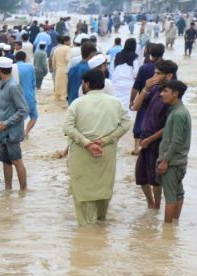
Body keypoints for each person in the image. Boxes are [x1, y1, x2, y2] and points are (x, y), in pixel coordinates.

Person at [63, 70, 131, 226]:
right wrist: (105, 140)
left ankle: (87, 236)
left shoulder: (78, 103)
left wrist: (87, 143)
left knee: (83, 194)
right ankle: (100, 234)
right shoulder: (116, 103)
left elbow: (68, 127)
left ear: (86, 84)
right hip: (106, 154)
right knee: (103, 190)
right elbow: (126, 124)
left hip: (82, 155)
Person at [132, 59, 178, 209]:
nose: (154, 76)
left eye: (158, 73)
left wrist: (150, 139)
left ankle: (157, 206)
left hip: (158, 143)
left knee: (155, 179)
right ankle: (150, 205)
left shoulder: (172, 97)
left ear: (169, 76)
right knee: (141, 177)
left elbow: (169, 127)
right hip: (146, 140)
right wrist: (145, 88)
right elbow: (136, 107)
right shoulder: (154, 90)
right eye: (154, 73)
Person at [156, 80, 190, 223]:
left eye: (165, 91)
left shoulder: (178, 114)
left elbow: (176, 141)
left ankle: (167, 230)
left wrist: (165, 161)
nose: (161, 94)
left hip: (172, 162)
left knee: (170, 196)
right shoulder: (179, 111)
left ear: (175, 94)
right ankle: (174, 226)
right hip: (178, 161)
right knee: (178, 193)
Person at [0, 56, 29, 190]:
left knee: (16, 160)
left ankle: (23, 190)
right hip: (2, 131)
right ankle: (8, 190)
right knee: (6, 162)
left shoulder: (13, 86)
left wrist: (7, 123)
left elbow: (23, 110)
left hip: (11, 132)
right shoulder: (4, 85)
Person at [14, 51, 38, 137]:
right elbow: (34, 83)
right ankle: (26, 132)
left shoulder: (13, 67)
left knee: (18, 118)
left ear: (15, 58)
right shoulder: (30, 66)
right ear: (25, 58)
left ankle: (19, 133)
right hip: (30, 96)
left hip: (17, 97)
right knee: (34, 117)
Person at [51, 35, 72, 102]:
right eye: (69, 41)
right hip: (66, 70)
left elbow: (53, 62)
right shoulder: (68, 49)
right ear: (66, 41)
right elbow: (68, 59)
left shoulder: (56, 49)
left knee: (58, 89)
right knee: (65, 89)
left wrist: (54, 70)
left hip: (58, 71)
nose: (70, 42)